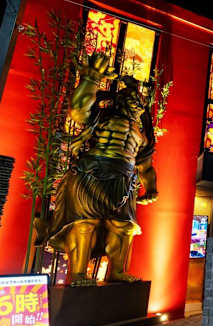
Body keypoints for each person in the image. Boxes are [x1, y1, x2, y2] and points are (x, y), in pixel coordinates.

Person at [37, 53, 158, 285]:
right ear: (121, 101)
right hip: (91, 173)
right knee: (85, 222)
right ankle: (78, 273)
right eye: (132, 101)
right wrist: (91, 79)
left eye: (139, 104)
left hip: (123, 181)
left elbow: (145, 166)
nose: (136, 106)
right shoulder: (103, 117)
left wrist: (151, 188)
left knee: (124, 227)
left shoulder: (141, 136)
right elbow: (78, 111)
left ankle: (117, 271)